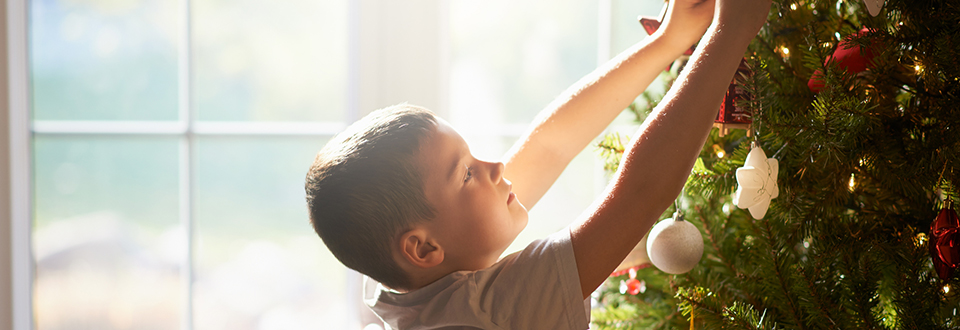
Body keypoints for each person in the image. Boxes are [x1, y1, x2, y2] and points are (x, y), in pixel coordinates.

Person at [305, 0, 771, 328]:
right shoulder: (490, 312)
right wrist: (730, 32)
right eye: (466, 173)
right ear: (423, 249)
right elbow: (642, 192)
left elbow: (549, 147)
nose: (493, 165)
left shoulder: (406, 286)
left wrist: (671, 41)